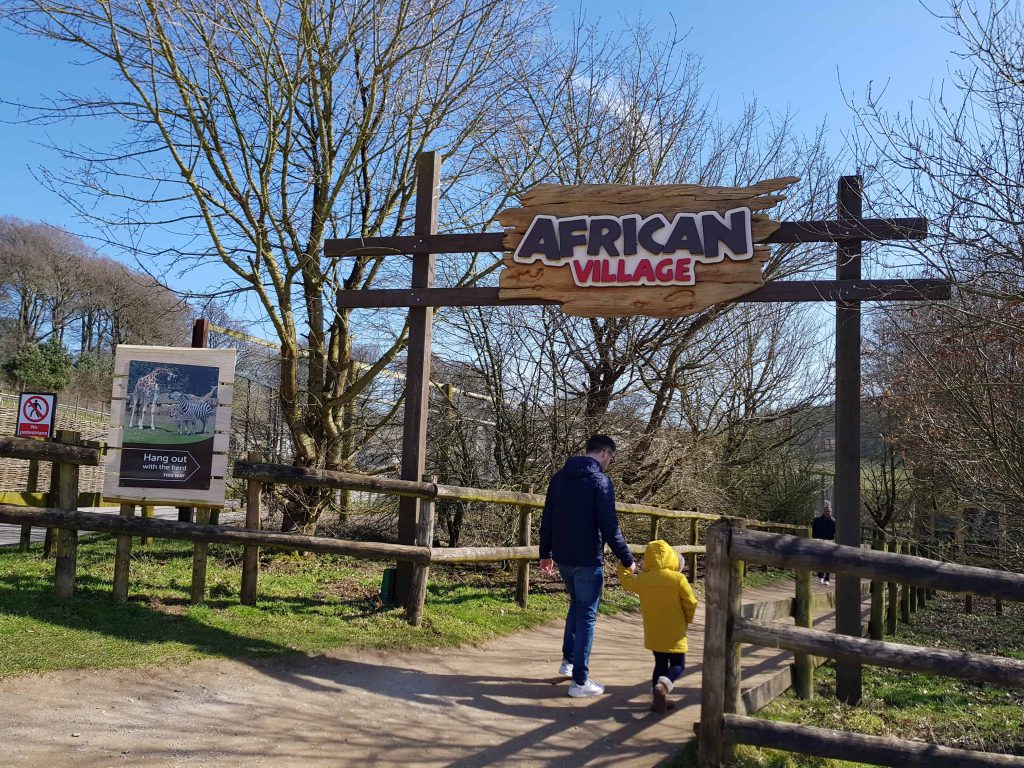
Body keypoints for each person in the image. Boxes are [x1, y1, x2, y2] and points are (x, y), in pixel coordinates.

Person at [540, 434, 636, 698]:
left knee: (576, 605)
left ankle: (569, 662)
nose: (609, 464)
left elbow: (547, 517)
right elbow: (609, 526)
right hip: (587, 559)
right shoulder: (600, 482)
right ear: (605, 453)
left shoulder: (559, 478)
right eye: (611, 459)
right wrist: (627, 559)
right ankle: (580, 682)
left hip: (562, 556)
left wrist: (545, 553)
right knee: (587, 616)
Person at [618, 539, 698, 713]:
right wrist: (688, 618)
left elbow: (626, 582)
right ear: (671, 558)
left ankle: (657, 701)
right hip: (675, 631)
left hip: (654, 632)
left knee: (660, 663)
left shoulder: (644, 579)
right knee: (678, 664)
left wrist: (623, 565)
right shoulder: (678, 579)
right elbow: (690, 602)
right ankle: (663, 687)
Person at [812, 501, 836, 585]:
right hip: (819, 542)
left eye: (829, 511)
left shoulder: (834, 522)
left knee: (828, 560)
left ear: (831, 512)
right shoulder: (817, 520)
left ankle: (827, 578)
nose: (827, 513)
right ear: (823, 511)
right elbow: (813, 531)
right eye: (826, 511)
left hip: (829, 542)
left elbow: (836, 533)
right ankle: (821, 576)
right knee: (819, 560)